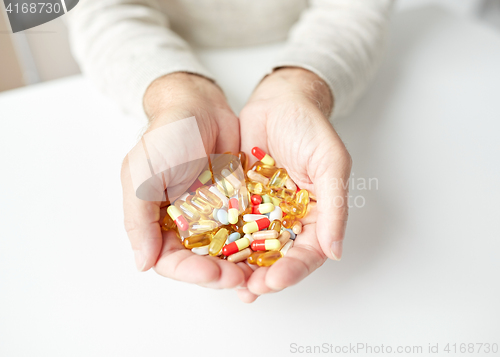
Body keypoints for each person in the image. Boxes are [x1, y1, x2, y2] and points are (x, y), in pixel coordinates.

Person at [68, 0, 395, 303]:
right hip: (159, 54)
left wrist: (303, 84)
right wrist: (175, 95)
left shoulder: (259, 201)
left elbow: (354, 8)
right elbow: (101, 11)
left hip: (315, 45)